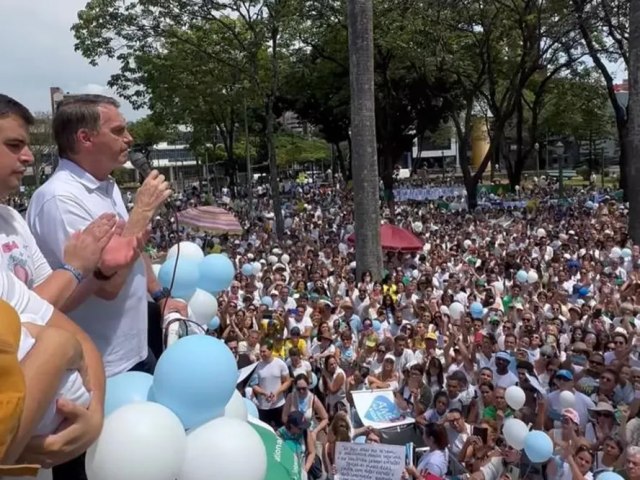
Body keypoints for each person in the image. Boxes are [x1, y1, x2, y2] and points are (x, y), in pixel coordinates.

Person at [24, 94, 182, 480]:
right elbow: (105, 284)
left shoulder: (105, 185)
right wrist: (142, 210)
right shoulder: (59, 199)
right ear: (85, 138)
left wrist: (159, 295)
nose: (129, 138)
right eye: (118, 130)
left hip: (134, 351)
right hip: (96, 374)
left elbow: (135, 248)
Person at [251, 340, 291, 428]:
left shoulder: (280, 364)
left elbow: (287, 381)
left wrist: (277, 393)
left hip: (279, 404)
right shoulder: (257, 366)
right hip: (263, 406)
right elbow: (254, 385)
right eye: (260, 351)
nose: (261, 354)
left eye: (264, 351)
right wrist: (265, 393)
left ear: (271, 351)